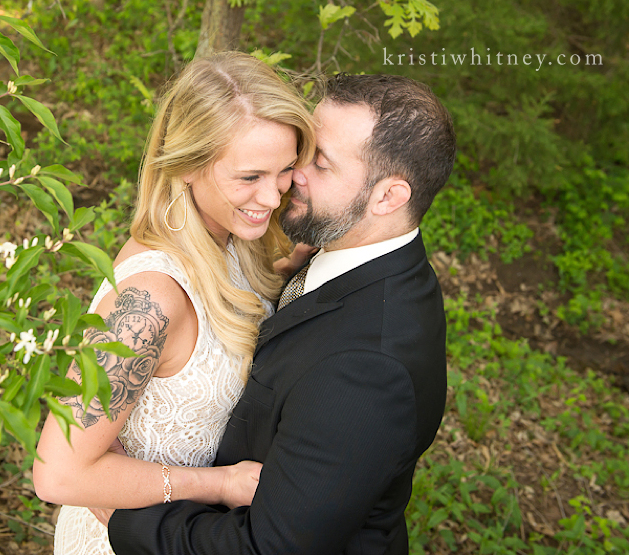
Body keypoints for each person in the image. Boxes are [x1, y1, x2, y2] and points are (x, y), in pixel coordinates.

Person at [105, 73, 457, 555]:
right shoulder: (352, 253)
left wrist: (120, 515)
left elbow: (266, 548)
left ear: (388, 197)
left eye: (320, 161)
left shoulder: (368, 369)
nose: (292, 174)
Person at [32, 52, 317, 555]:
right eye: (250, 177)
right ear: (186, 165)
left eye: (285, 171)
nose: (273, 198)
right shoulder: (151, 298)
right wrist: (219, 486)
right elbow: (59, 473)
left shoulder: (236, 239)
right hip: (131, 541)